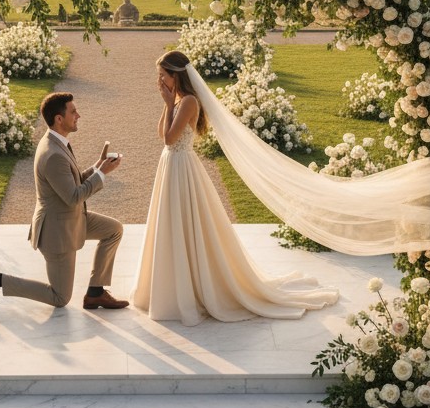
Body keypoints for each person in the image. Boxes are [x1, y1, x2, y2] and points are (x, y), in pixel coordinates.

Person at [132, 51, 339, 325]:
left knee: (185, 224)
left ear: (176, 75)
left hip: (181, 167)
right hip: (171, 166)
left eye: (162, 75)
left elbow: (171, 140)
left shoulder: (189, 102)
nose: (159, 80)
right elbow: (163, 135)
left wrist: (169, 105)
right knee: (171, 224)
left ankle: (193, 287)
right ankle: (172, 286)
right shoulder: (179, 101)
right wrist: (166, 104)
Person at [0, 91, 129, 310]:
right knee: (60, 297)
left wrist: (97, 167)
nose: (79, 115)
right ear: (59, 119)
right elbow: (74, 196)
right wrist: (102, 174)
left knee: (113, 230)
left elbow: (71, 183)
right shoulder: (54, 154)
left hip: (71, 219)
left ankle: (95, 292)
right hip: (57, 231)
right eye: (73, 111)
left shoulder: (56, 142)